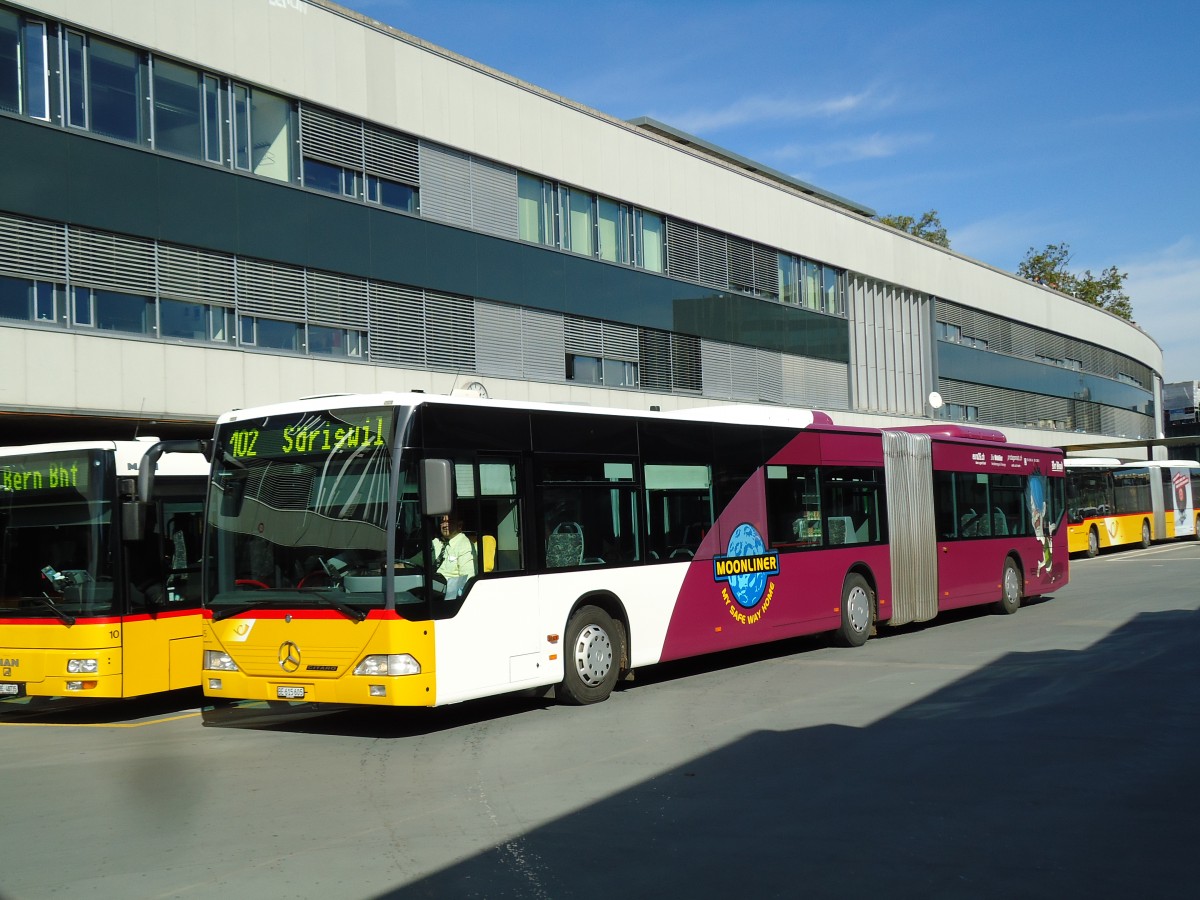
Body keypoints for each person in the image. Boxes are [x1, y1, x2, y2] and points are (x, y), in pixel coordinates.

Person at [432, 513, 476, 598]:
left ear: (459, 525)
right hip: (428, 588)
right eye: (442, 521)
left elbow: (467, 581)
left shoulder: (465, 546)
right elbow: (415, 562)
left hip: (448, 596)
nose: (444, 525)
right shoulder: (436, 542)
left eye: (449, 522)